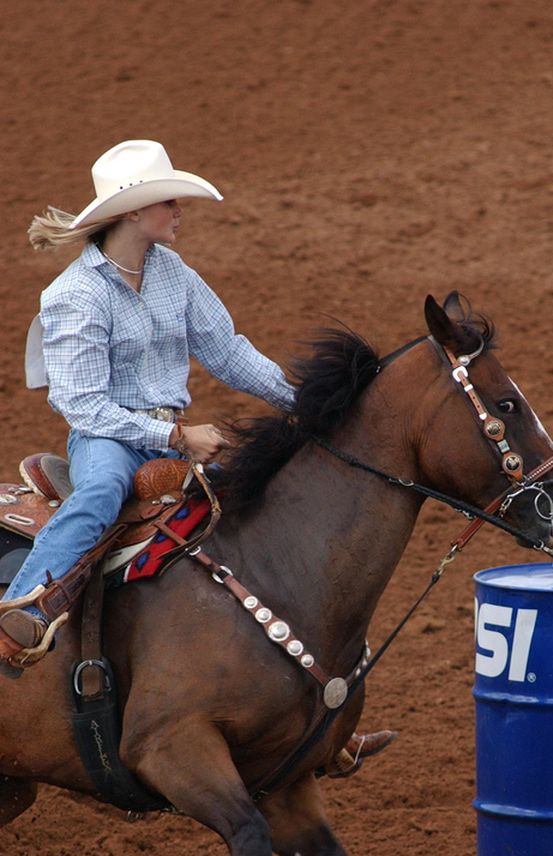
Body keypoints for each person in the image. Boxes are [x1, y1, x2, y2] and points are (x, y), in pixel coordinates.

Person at [0, 139, 393, 771]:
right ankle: (22, 610)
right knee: (100, 495)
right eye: (168, 202)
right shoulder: (74, 295)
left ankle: (310, 719)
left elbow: (228, 352)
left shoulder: (173, 275)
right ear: (133, 213)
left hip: (172, 434)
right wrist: (177, 438)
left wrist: (304, 405)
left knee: (252, 520)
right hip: (109, 440)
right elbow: (82, 406)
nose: (179, 211)